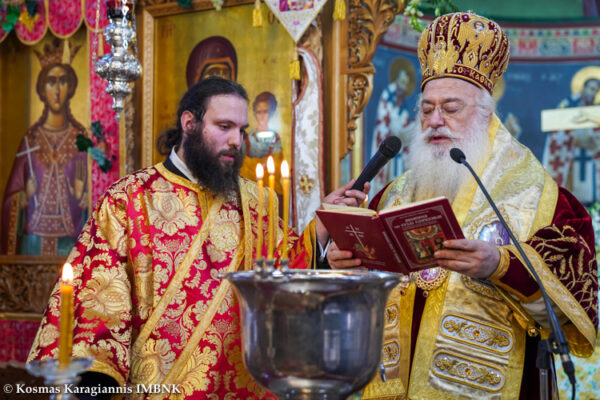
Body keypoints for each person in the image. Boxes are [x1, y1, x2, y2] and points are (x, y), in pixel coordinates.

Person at [27, 77, 367, 399]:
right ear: (189, 123)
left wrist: (322, 224)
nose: (236, 141)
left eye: (241, 130)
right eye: (224, 126)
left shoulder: (255, 201)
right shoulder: (128, 200)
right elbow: (97, 310)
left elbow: (280, 273)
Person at [326, 12, 598, 399]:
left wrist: (500, 265)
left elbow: (571, 319)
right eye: (426, 110)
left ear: (487, 115)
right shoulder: (389, 196)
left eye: (451, 109)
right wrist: (342, 264)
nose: (435, 120)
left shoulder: (544, 200)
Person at [1, 38, 89, 255]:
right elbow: (9, 199)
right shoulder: (30, 139)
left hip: (71, 242)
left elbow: (96, 198)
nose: (57, 90)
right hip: (32, 243)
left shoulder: (81, 139)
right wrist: (24, 196)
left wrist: (82, 198)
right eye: (51, 82)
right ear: (41, 88)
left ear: (71, 87)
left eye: (63, 81)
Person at [543, 72, 600, 206]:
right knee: (570, 196)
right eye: (591, 89)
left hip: (590, 159)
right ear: (583, 88)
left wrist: (594, 144)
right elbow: (556, 133)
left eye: (596, 91)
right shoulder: (568, 104)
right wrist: (575, 140)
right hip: (570, 159)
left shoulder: (595, 112)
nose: (593, 93)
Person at [371, 58, 415, 195]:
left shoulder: (403, 105)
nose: (403, 87)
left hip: (399, 154)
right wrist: (396, 132)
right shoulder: (387, 96)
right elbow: (383, 125)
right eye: (402, 82)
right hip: (388, 150)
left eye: (406, 84)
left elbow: (404, 125)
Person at [240, 91, 284, 193]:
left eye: (265, 112)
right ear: (255, 114)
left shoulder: (275, 139)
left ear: (271, 113)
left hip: (269, 190)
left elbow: (276, 167)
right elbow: (241, 167)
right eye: (259, 112)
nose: (262, 116)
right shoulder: (247, 139)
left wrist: (252, 165)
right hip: (248, 191)